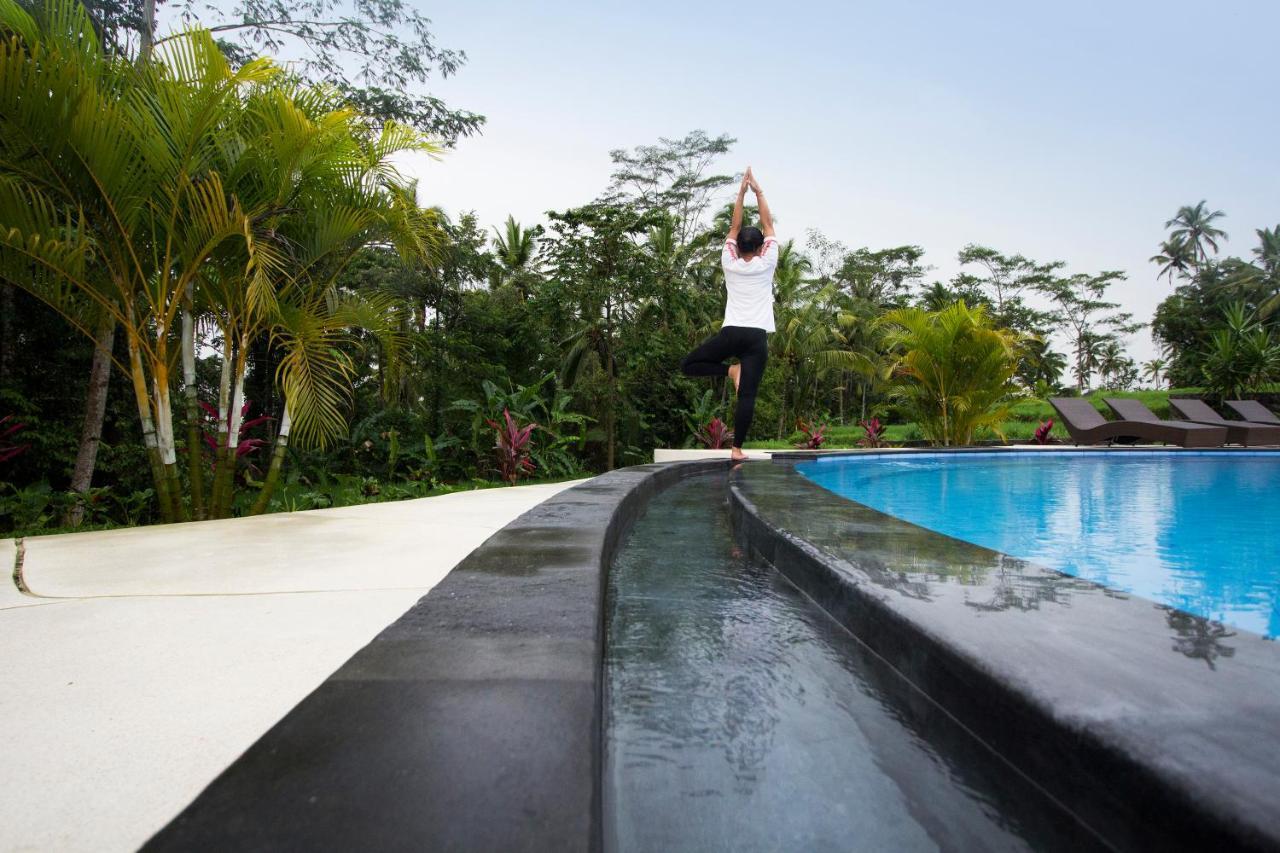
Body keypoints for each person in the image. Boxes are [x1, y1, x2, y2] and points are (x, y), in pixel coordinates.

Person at [680, 166, 777, 462]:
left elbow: (733, 229)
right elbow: (769, 225)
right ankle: (736, 450)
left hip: (731, 332)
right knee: (746, 396)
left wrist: (740, 193)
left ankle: (727, 370)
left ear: (739, 247)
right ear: (761, 248)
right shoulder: (767, 262)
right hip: (756, 338)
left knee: (689, 365)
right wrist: (758, 191)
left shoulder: (729, 261)